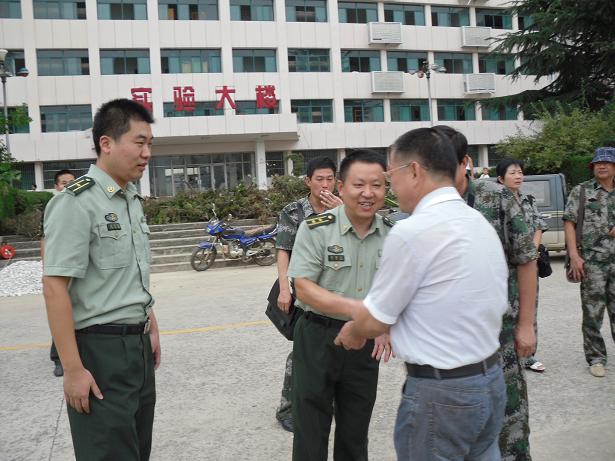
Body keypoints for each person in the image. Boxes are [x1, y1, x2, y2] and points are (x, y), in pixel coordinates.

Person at [334, 127, 508, 460]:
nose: (391, 187)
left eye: (391, 176)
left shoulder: (413, 231)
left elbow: (375, 320)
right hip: (489, 380)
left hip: (442, 394)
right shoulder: (476, 222)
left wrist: (353, 331)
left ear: (414, 170)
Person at [42, 98, 160, 460]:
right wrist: (73, 369)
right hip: (100, 351)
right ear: (106, 143)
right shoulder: (76, 201)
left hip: (137, 348)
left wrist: (150, 325)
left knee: (137, 450)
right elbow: (55, 287)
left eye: (150, 144)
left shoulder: (130, 200)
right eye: (139, 143)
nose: (147, 153)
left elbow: (132, 275)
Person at [434, 125, 537, 461]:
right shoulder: (426, 205)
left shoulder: (496, 198)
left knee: (509, 424)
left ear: (465, 162)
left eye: (445, 165)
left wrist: (525, 325)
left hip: (498, 334)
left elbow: (526, 260)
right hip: (450, 339)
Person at [288, 149, 393, 461]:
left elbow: (394, 291)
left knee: (355, 430)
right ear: (342, 187)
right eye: (359, 184)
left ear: (386, 189)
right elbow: (304, 288)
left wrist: (382, 324)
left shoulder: (393, 235)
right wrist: (361, 312)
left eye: (377, 185)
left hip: (365, 343)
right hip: (317, 336)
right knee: (310, 427)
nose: (368, 193)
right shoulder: (316, 228)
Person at [275, 156, 342, 432]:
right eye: (319, 179)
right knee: (303, 351)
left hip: (338, 290)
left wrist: (342, 211)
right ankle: (288, 408)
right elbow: (283, 249)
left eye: (330, 179)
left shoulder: (344, 207)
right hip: (306, 291)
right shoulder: (293, 211)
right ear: (308, 181)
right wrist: (284, 289)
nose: (325, 185)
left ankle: (325, 402)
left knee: (336, 348)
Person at [563, 146, 615, 378]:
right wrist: (574, 255)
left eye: (607, 162)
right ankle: (596, 358)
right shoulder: (581, 191)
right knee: (593, 313)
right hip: (592, 262)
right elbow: (569, 223)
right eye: (597, 163)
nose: (601, 166)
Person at [497, 158, 548, 373]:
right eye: (512, 173)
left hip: (527, 263)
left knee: (529, 308)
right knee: (505, 309)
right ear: (501, 179)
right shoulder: (496, 202)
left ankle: (528, 356)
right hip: (505, 266)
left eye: (520, 172)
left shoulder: (528, 200)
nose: (518, 176)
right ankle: (504, 356)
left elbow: (538, 225)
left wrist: (531, 253)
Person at [41, 169, 76, 377]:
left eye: (72, 181)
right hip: (60, 269)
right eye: (64, 182)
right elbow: (44, 239)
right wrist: (48, 271)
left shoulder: (82, 204)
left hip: (78, 267)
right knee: (62, 313)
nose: (68, 185)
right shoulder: (53, 207)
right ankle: (58, 358)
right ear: (56, 187)